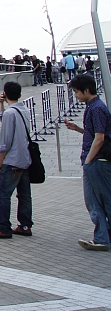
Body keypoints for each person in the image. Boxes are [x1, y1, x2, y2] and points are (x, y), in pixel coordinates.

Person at [63, 74, 111, 251]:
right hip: (93, 160)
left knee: (103, 200)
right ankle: (102, 237)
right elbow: (95, 134)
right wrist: (77, 129)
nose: (75, 95)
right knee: (93, 201)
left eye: (76, 92)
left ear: (87, 90)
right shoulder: (93, 107)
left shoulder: (97, 108)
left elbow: (100, 138)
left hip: (97, 161)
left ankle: (103, 237)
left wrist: (89, 160)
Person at [0, 82, 34, 239]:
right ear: (20, 95)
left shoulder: (9, 113)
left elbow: (5, 140)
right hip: (25, 158)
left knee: (4, 194)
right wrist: (2, 105)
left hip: (12, 160)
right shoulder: (24, 110)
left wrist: (0, 159)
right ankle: (25, 225)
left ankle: (4, 227)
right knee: (24, 194)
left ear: (4, 94)